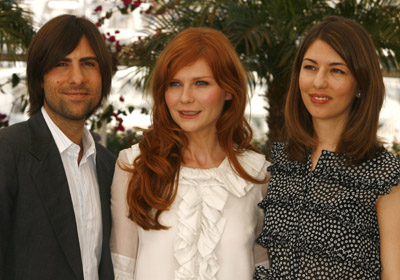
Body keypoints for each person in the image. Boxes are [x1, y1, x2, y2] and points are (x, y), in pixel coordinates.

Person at [110, 27, 270, 280]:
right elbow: (122, 268)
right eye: (174, 84)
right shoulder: (134, 166)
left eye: (201, 83)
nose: (185, 98)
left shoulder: (257, 174)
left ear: (228, 90)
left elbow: (262, 265)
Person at [255, 16, 400, 279]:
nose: (318, 82)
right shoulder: (283, 163)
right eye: (310, 67)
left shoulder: (384, 174)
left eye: (337, 70)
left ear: (360, 84)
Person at [0, 15, 115, 280]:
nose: (77, 78)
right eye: (61, 64)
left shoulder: (109, 167)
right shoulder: (8, 152)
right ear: (40, 76)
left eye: (88, 63)